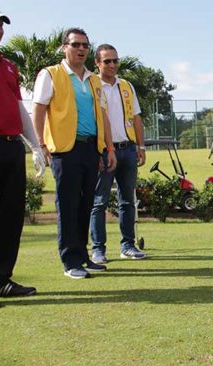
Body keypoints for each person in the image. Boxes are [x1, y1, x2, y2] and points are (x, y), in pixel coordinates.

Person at [32, 28, 117, 279]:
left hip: (90, 149)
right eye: (76, 44)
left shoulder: (93, 80)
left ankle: (82, 256)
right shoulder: (51, 74)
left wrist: (108, 148)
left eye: (85, 45)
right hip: (64, 150)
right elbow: (38, 110)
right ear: (64, 47)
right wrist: (41, 145)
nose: (81, 49)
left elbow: (103, 116)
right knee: (68, 205)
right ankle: (70, 261)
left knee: (85, 204)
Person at [0, 4, 46, 308]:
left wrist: (35, 144)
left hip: (12, 146)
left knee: (11, 215)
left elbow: (18, 107)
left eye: (0, 25)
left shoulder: (8, 65)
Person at [89, 44, 147, 264]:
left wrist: (141, 147)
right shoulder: (93, 85)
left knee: (127, 201)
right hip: (104, 151)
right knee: (99, 202)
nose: (112, 65)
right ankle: (98, 250)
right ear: (97, 63)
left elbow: (137, 117)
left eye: (115, 60)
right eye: (107, 61)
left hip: (128, 149)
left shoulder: (126, 86)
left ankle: (128, 246)